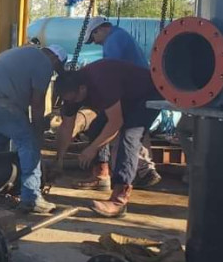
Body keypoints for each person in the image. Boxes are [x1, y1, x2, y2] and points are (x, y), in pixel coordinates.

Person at [0, 44, 67, 214]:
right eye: (56, 68)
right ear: (55, 59)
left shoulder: (24, 51)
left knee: (2, 133)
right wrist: (37, 133)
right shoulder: (44, 63)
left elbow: (20, 99)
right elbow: (37, 103)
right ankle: (32, 197)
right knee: (28, 140)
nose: (53, 71)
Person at [54, 59, 161, 218]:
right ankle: (101, 175)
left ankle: (119, 199)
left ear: (82, 89)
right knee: (96, 127)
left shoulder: (102, 82)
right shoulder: (72, 92)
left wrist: (92, 149)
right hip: (124, 96)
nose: (73, 103)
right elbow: (66, 127)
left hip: (147, 93)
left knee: (129, 137)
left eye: (74, 99)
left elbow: (115, 123)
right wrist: (59, 160)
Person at [75, 17, 161, 190]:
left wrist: (92, 148)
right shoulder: (120, 36)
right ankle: (143, 170)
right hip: (138, 91)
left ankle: (108, 175)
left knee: (109, 128)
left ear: (100, 29)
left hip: (134, 93)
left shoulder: (113, 40)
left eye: (93, 38)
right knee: (131, 131)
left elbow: (109, 73)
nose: (95, 42)